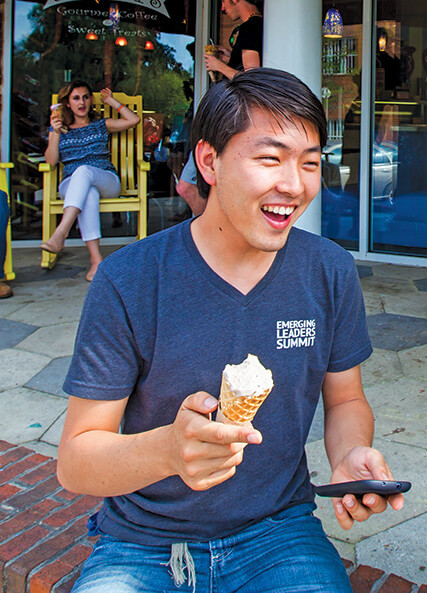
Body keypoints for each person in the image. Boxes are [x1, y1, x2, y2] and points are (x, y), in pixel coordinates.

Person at [57, 68, 403, 592]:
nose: (295, 184)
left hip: (279, 533)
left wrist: (350, 455)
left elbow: (347, 400)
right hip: (141, 543)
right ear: (209, 161)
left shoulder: (328, 271)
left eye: (310, 163)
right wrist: (170, 451)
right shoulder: (130, 279)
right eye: (270, 158)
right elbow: (77, 461)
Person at [41, 81, 140, 281]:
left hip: (106, 180)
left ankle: (61, 231)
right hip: (71, 185)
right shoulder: (59, 130)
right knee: (89, 194)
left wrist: (111, 101)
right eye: (76, 98)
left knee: (84, 170)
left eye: (86, 97)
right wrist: (55, 134)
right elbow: (51, 161)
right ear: (67, 103)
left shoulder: (100, 125)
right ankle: (96, 261)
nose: (82, 102)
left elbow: (133, 120)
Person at [176, 0, 264, 214]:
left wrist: (219, 66)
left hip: (231, 117)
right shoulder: (260, 27)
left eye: (224, 1)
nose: (222, 8)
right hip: (238, 118)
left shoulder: (250, 27)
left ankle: (210, 239)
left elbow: (253, 76)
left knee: (187, 186)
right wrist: (228, 59)